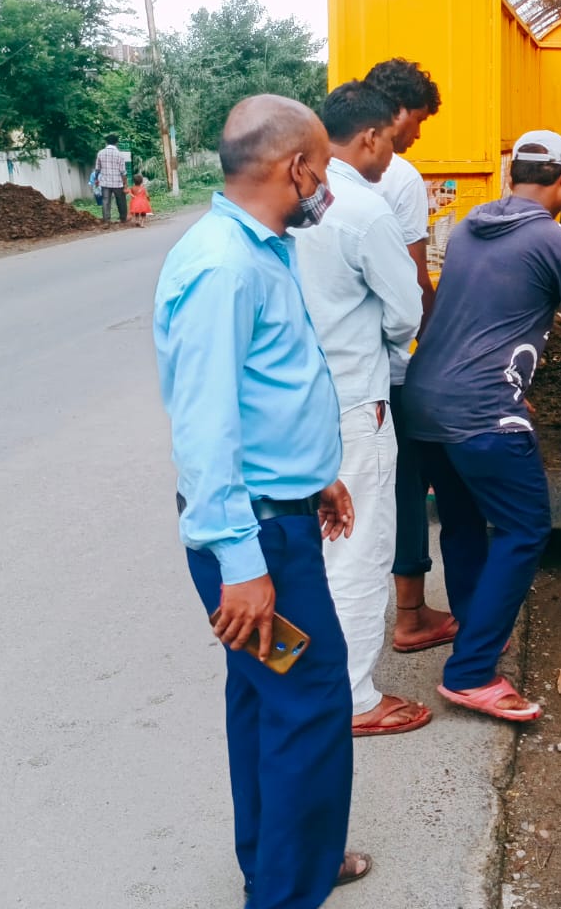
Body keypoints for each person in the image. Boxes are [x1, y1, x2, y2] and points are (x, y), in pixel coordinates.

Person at [153, 95, 370, 908]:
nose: (328, 187)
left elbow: (263, 394)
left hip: (274, 516)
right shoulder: (225, 267)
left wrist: (313, 474)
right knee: (309, 707)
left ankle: (284, 865)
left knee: (263, 697)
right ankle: (286, 890)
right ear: (297, 168)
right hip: (254, 540)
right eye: (324, 168)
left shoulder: (253, 250)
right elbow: (204, 429)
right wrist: (241, 564)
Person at [398, 129, 561, 722]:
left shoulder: (468, 226)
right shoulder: (552, 240)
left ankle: (478, 628)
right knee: (526, 526)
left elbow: (479, 316)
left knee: (460, 520)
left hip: (423, 398)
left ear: (512, 177)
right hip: (483, 410)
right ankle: (472, 671)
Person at [292, 81, 428, 738]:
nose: (394, 153)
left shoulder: (291, 199)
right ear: (370, 137)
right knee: (358, 550)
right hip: (352, 400)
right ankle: (350, 699)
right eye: (392, 140)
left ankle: (310, 677)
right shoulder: (365, 208)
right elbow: (406, 311)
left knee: (311, 551)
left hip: (292, 402)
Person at [361, 58, 459, 655]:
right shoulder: (398, 176)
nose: (419, 134)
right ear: (395, 114)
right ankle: (410, 615)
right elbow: (415, 279)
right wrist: (439, 344)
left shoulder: (325, 172)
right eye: (418, 120)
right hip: (390, 364)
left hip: (342, 367)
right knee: (406, 484)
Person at [94, 133, 129, 224]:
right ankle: (123, 219)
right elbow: (123, 171)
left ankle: (106, 221)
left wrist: (96, 179)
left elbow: (97, 169)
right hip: (118, 182)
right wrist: (125, 184)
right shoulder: (119, 154)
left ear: (106, 142)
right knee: (121, 200)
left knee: (106, 201)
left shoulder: (100, 153)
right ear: (116, 142)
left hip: (105, 182)